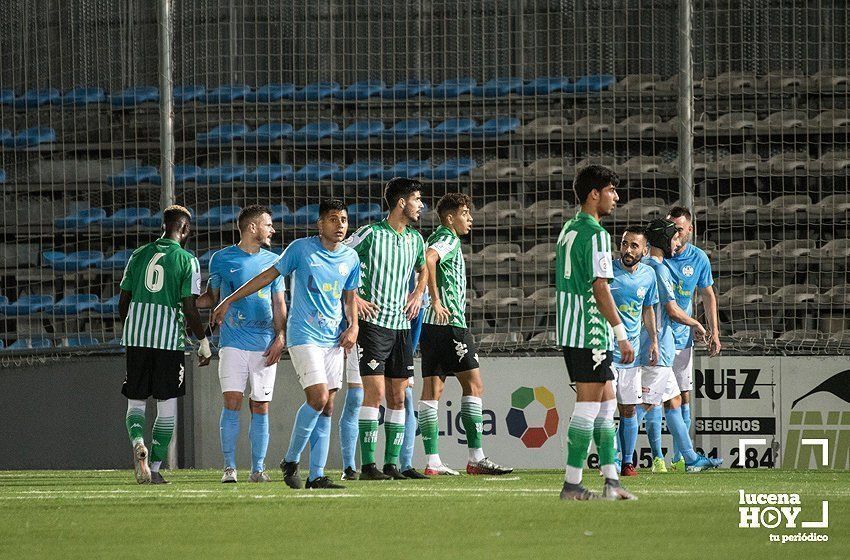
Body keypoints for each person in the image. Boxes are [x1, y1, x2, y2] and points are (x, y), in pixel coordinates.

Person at [211, 199, 360, 489]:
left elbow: (350, 297)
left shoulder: (350, 258)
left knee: (328, 406)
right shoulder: (300, 250)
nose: (340, 225)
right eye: (333, 219)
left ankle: (316, 474)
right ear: (320, 224)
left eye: (343, 219)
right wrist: (229, 299)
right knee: (317, 398)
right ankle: (290, 459)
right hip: (304, 336)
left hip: (333, 338)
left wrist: (353, 326)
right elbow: (267, 277)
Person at [555, 165, 636, 501]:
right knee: (589, 405)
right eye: (611, 190)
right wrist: (620, 331)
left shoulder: (568, 228)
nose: (616, 197)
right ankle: (572, 484)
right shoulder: (598, 234)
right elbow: (600, 286)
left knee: (605, 405)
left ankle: (611, 482)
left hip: (571, 328)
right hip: (590, 330)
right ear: (594, 194)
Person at [418, 192, 513, 476]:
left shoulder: (436, 235)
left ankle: (433, 461)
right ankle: (476, 458)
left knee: (432, 391)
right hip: (450, 323)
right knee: (474, 385)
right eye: (465, 213)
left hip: (430, 325)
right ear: (450, 217)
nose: (470, 219)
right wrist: (435, 298)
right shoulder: (447, 238)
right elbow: (429, 259)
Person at [119, 205, 211, 485]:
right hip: (168, 341)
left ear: (163, 227)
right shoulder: (187, 260)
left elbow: (123, 302)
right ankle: (155, 467)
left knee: (136, 401)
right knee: (166, 406)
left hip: (136, 338)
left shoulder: (138, 254)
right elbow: (190, 307)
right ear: (184, 229)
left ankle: (138, 442)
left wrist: (135, 327)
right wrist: (203, 341)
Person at [345, 177, 428, 480]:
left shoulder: (416, 239)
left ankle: (391, 464)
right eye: (417, 199)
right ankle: (368, 466)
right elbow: (339, 259)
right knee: (375, 394)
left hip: (402, 325)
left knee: (398, 395)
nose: (421, 205)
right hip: (373, 324)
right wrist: (355, 298)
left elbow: (424, 268)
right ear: (402, 202)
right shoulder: (370, 234)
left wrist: (419, 293)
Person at [195, 205, 286, 483]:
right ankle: (230, 467)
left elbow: (279, 302)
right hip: (233, 342)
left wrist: (281, 337)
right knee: (232, 401)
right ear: (252, 228)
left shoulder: (275, 261)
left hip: (264, 343)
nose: (273, 230)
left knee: (260, 405)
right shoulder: (221, 259)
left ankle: (258, 469)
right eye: (268, 225)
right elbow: (212, 297)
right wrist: (183, 301)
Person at [640, 218, 722, 473]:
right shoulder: (659, 269)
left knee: (673, 401)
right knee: (645, 405)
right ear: (664, 241)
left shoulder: (646, 267)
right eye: (674, 238)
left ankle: (689, 457)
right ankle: (616, 454)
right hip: (658, 346)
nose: (677, 242)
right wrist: (696, 324)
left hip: (656, 344)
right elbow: (672, 310)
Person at [663, 206, 721, 471]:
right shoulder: (657, 257)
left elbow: (708, 295)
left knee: (682, 397)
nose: (674, 233)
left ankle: (680, 459)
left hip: (682, 339)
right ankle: (651, 457)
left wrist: (714, 332)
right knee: (649, 401)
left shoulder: (698, 258)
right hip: (656, 338)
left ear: (690, 229)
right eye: (670, 228)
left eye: (678, 228)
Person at [609, 226, 658, 476]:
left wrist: (654, 341)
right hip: (605, 352)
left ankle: (627, 462)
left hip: (632, 355)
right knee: (606, 409)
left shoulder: (648, 275)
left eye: (634, 245)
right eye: (624, 243)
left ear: (645, 250)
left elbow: (647, 309)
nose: (627, 249)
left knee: (628, 409)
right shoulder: (606, 270)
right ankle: (610, 460)